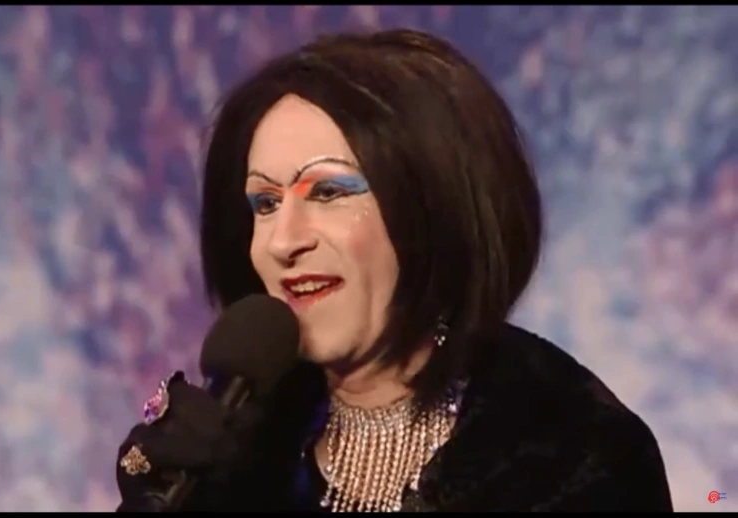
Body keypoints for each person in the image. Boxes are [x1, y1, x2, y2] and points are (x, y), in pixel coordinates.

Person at [115, 28, 674, 512]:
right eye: (265, 203)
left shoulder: (571, 449)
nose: (283, 241)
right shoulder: (245, 448)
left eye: (328, 192)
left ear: (433, 208)